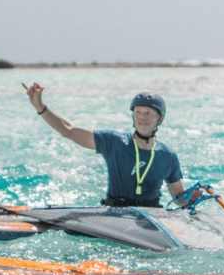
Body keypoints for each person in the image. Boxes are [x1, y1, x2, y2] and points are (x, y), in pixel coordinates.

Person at [24, 84, 188, 207]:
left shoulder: (168, 155)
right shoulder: (113, 141)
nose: (142, 117)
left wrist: (193, 198)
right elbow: (69, 131)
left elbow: (179, 197)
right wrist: (40, 107)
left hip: (151, 214)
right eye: (138, 112)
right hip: (114, 211)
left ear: (159, 119)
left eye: (148, 113)